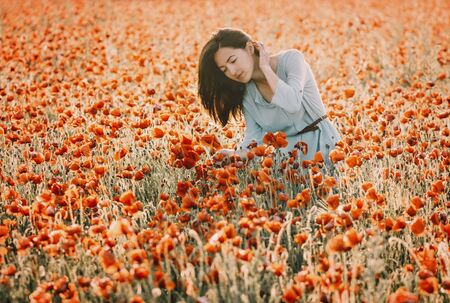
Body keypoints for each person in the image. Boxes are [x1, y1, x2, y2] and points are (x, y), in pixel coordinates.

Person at [197, 27, 341, 169]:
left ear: (249, 48)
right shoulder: (247, 93)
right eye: (224, 70)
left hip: (326, 150)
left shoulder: (291, 60)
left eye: (233, 61)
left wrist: (265, 68)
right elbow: (254, 140)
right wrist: (232, 154)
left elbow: (292, 103)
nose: (232, 72)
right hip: (290, 164)